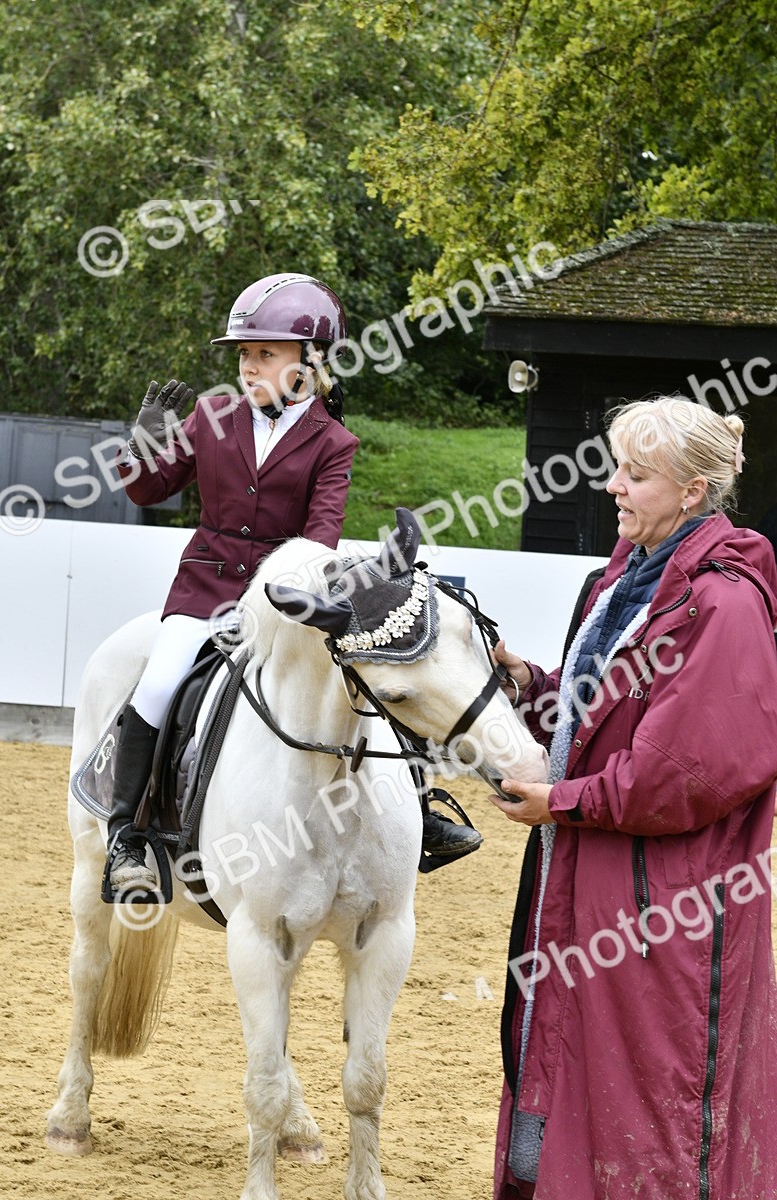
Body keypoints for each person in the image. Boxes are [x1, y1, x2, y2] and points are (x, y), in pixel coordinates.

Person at [105, 272, 479, 897]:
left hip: (282, 600)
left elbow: (319, 538)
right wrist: (144, 437)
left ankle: (417, 804)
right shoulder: (211, 415)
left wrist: (291, 593)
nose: (249, 368)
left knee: (366, 675)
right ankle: (127, 837)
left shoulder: (335, 442)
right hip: (205, 591)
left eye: (264, 355)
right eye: (246, 355)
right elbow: (146, 490)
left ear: (309, 363)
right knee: (162, 681)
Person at [489, 396, 777, 1200]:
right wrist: (527, 684)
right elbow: (598, 716)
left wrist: (563, 802)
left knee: (658, 1110)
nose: (612, 486)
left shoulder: (724, 604)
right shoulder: (619, 578)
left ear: (691, 492)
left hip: (665, 908)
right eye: (617, 467)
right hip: (586, 877)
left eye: (635, 474)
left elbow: (682, 771)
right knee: (566, 1072)